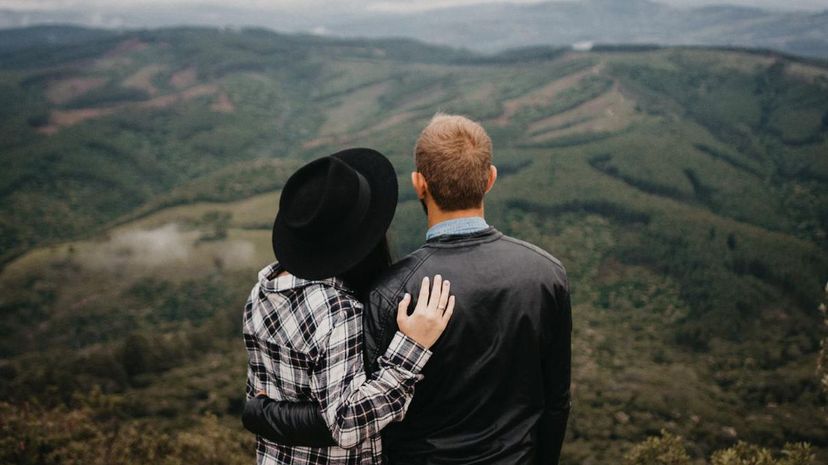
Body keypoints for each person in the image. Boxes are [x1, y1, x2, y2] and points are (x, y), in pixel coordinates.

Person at [244, 115, 572, 464]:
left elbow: (363, 421)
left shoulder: (389, 292)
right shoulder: (547, 274)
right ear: (490, 179)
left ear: (419, 184)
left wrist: (260, 412)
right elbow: (556, 402)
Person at [242, 147, 455, 465]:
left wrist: (261, 413)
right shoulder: (337, 313)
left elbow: (267, 395)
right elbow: (347, 423)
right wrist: (410, 349)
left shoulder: (263, 289)